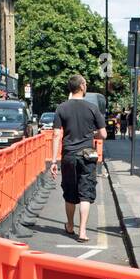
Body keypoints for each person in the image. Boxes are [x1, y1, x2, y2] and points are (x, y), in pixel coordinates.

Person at [50, 73, 106, 244]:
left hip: (69, 155)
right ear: (82, 86)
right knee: (85, 193)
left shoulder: (62, 108)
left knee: (70, 193)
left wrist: (53, 161)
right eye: (86, 83)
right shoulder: (92, 108)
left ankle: (70, 225)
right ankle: (82, 231)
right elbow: (103, 134)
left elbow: (56, 135)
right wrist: (91, 133)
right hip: (88, 155)